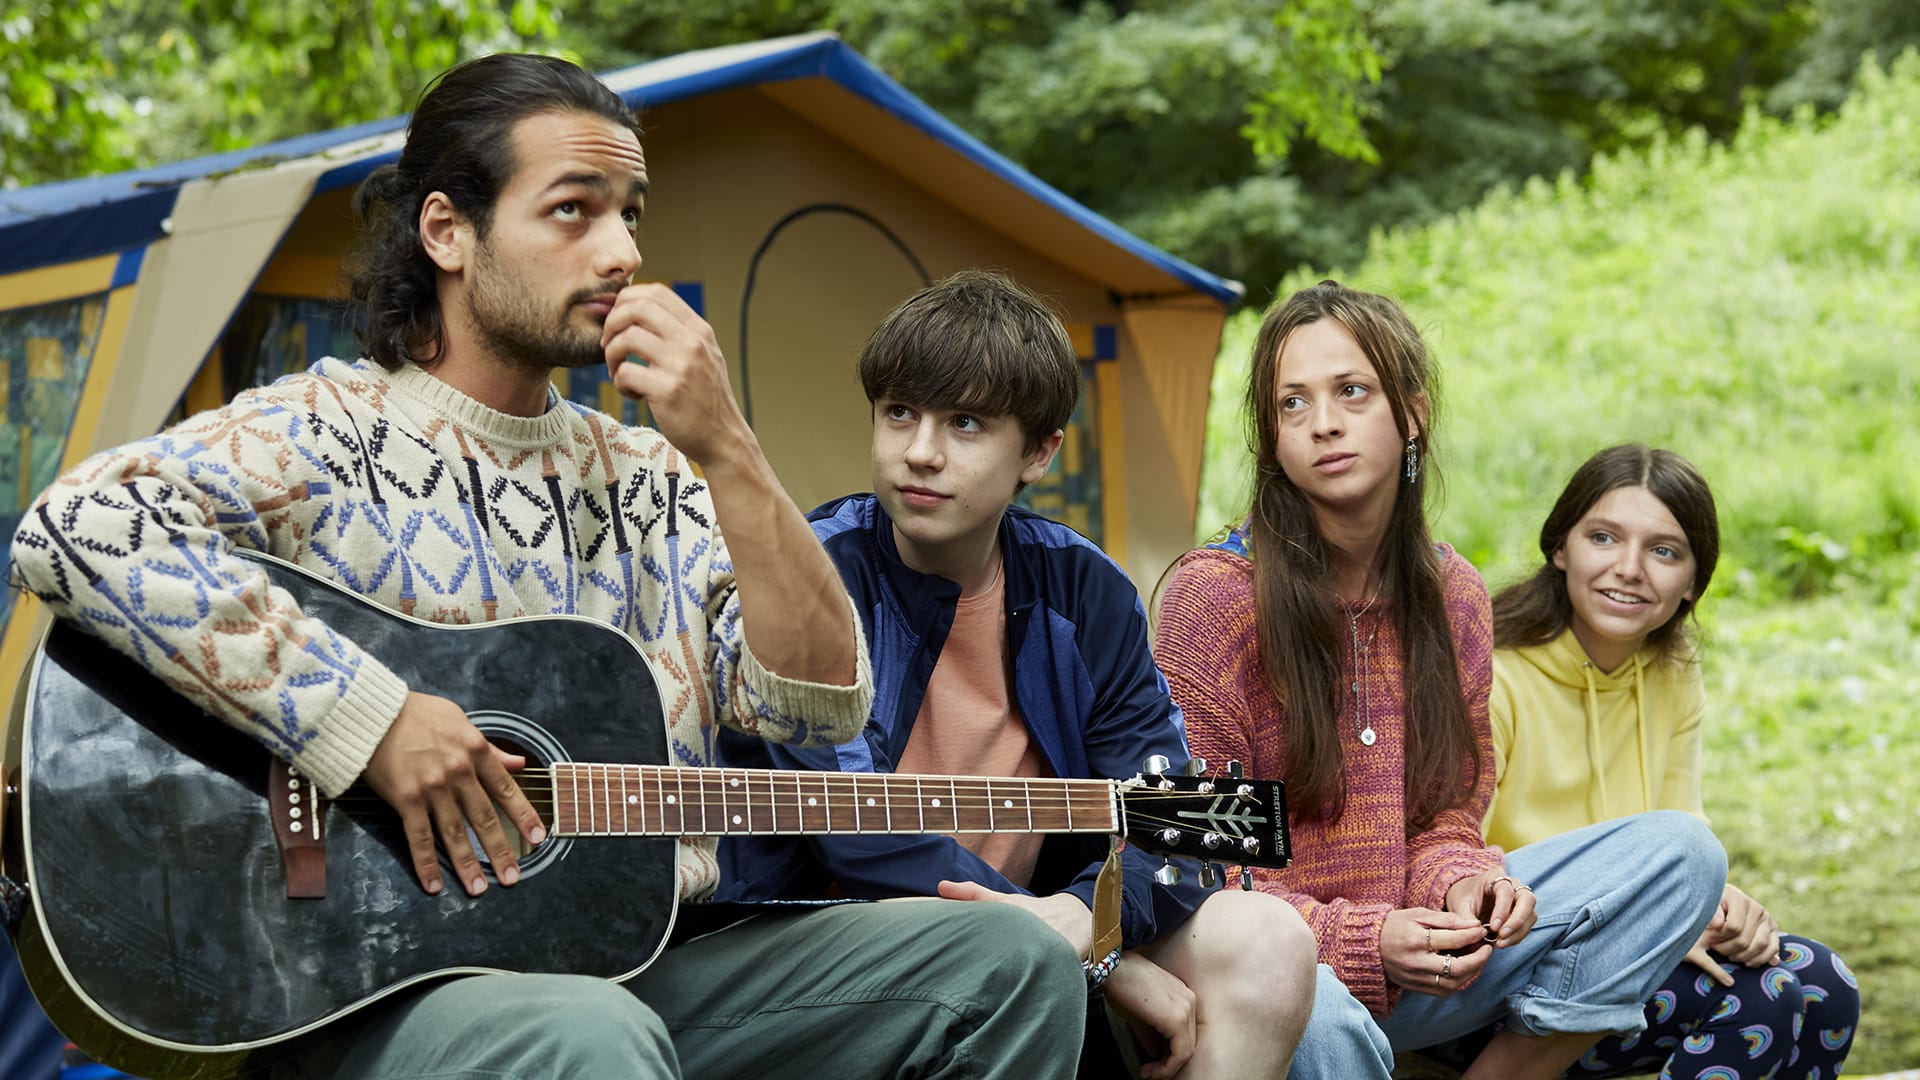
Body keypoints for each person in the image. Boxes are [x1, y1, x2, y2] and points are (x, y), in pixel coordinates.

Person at [8, 54, 1085, 1079]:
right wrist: (370, 721)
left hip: (643, 965)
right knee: (589, 1036)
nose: (620, 253)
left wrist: (728, 445)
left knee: (1011, 965)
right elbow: (77, 528)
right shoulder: (323, 429)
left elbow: (817, 702)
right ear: (448, 231)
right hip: (365, 992)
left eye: (631, 215)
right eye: (574, 210)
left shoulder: (655, 476)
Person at [717, 270, 1319, 1079]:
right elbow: (854, 833)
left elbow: (1174, 817)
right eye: (899, 413)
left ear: (1039, 452)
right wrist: (1079, 944)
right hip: (831, 941)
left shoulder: (1083, 590)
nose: (920, 452)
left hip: (1041, 933)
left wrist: (1087, 916)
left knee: (1270, 941)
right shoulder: (814, 576)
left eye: (965, 423)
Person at [1152, 280, 1729, 1079]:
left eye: (1352, 391)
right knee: (1320, 1012)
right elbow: (1187, 862)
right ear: (1273, 440)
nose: (1324, 422)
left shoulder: (1453, 592)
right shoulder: (1212, 598)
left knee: (1682, 855)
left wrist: (1467, 885)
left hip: (1425, 956)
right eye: (1292, 403)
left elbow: (1446, 812)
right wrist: (1362, 940)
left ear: (1413, 414)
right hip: (1278, 971)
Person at [1477, 444, 1858, 1078]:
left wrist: (1723, 908)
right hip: (1508, 969)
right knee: (1761, 998)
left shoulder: (1671, 670)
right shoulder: (1493, 675)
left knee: (1826, 986)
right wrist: (1644, 923)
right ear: (1560, 547)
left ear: (1693, 582)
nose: (1629, 569)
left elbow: (1684, 827)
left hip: (1629, 939)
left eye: (1663, 551)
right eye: (1603, 537)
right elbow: (1459, 869)